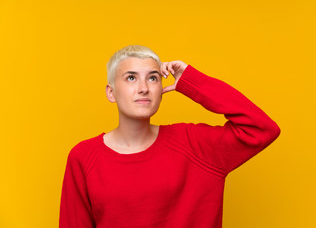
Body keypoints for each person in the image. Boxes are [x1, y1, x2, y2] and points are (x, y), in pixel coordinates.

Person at [59, 44, 281, 228]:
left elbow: (261, 129)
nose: (144, 88)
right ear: (111, 92)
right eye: (131, 78)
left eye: (153, 78)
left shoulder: (194, 144)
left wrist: (192, 81)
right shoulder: (84, 157)